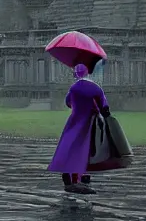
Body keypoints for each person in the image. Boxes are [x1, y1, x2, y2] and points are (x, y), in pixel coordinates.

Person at [47, 62, 111, 195]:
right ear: (87, 73)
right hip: (88, 121)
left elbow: (68, 102)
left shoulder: (74, 88)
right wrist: (100, 111)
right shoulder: (94, 87)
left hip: (74, 120)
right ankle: (77, 178)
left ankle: (69, 176)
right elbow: (103, 103)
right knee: (85, 148)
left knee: (70, 146)